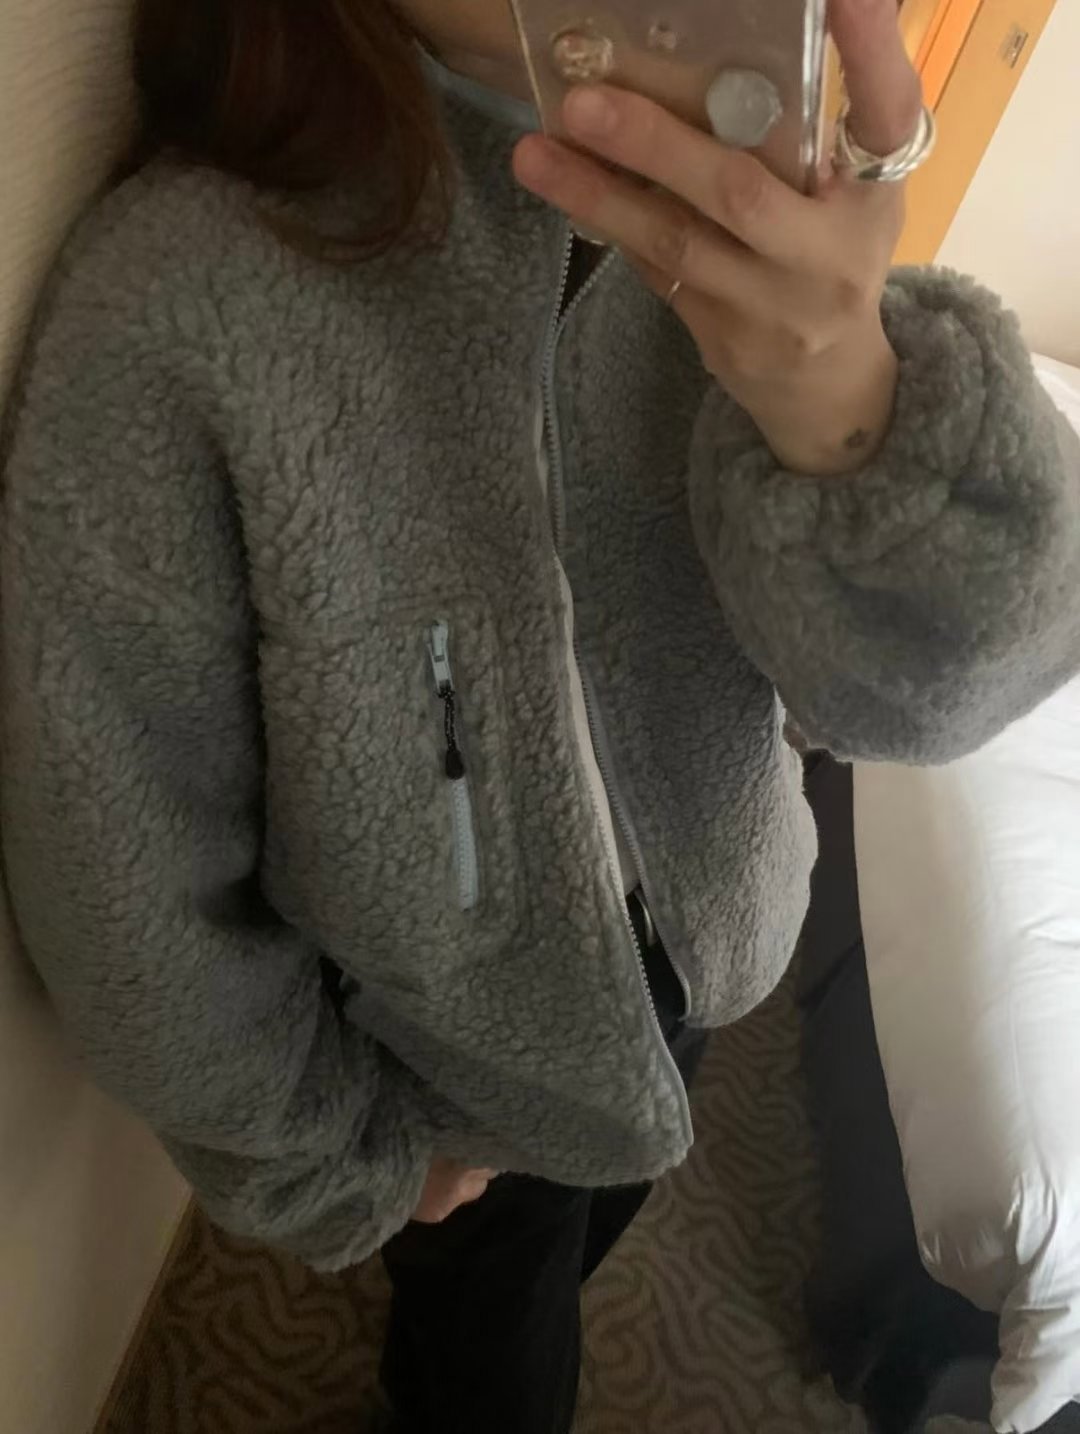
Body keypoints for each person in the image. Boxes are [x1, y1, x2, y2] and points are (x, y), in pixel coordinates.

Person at [2, 0, 1078, 1430]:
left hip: (700, 967)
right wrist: (342, 1157)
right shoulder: (181, 306)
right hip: (463, 1071)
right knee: (493, 1356)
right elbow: (121, 869)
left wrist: (852, 406)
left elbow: (925, 699)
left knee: (593, 1223)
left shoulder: (746, 236)